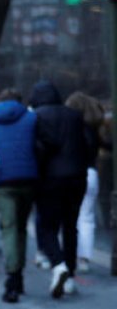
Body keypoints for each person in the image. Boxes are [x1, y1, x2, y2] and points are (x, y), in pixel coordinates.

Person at [28, 81, 97, 298]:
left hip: (50, 179)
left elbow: (37, 148)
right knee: (70, 226)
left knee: (47, 227)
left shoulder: (36, 117)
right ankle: (70, 276)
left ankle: (59, 265)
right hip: (77, 177)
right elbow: (89, 143)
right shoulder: (74, 116)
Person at [0, 89, 38, 303]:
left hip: (3, 182)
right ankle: (19, 276)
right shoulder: (31, 118)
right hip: (29, 179)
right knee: (21, 228)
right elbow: (40, 146)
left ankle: (12, 279)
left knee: (9, 228)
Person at [63, 91, 105, 275]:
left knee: (70, 217)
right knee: (87, 217)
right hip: (91, 173)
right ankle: (84, 259)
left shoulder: (70, 129)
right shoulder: (94, 129)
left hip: (73, 172)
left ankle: (69, 256)